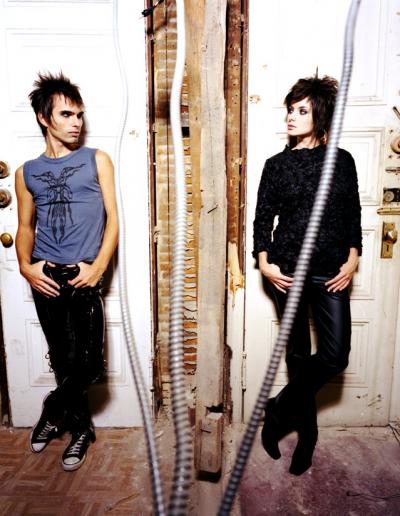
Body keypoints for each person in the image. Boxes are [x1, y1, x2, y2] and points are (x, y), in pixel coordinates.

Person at [253, 76, 362, 476]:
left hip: (331, 271)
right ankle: (308, 437)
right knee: (298, 357)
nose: (292, 116)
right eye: (290, 109)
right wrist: (264, 262)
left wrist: (353, 258)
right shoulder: (276, 165)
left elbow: (352, 213)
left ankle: (278, 410)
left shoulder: (342, 161)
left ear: (320, 116)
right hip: (287, 272)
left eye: (302, 110)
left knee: (335, 355)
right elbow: (263, 219)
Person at [15, 72, 118, 471]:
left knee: (88, 366)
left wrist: (98, 267)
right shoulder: (26, 172)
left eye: (79, 115)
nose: (77, 122)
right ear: (44, 118)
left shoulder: (97, 159)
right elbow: (25, 228)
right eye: (66, 114)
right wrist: (26, 267)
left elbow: (113, 221)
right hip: (46, 276)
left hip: (83, 273)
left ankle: (52, 409)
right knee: (63, 359)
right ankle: (81, 431)